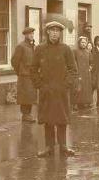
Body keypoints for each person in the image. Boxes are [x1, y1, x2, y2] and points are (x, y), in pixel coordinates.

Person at [31, 14, 78, 157]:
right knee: (48, 120)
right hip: (46, 90)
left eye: (57, 31)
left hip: (61, 90)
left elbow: (73, 70)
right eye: (52, 31)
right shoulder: (39, 49)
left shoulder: (65, 49)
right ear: (47, 32)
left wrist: (66, 84)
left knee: (62, 119)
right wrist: (40, 85)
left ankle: (63, 146)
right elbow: (33, 69)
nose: (55, 33)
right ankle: (48, 147)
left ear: (60, 33)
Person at [11, 27, 37, 122]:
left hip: (32, 75)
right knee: (25, 96)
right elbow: (14, 61)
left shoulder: (33, 46)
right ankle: (25, 115)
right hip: (24, 75)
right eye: (30, 34)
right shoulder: (21, 46)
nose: (31, 35)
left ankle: (28, 114)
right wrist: (20, 71)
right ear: (25, 35)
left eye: (32, 34)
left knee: (30, 95)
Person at [72, 36, 93, 111]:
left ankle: (84, 102)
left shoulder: (88, 52)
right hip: (78, 72)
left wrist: (90, 67)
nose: (83, 44)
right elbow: (73, 62)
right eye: (82, 42)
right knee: (78, 88)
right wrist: (76, 71)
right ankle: (75, 104)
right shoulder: (75, 51)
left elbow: (91, 62)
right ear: (79, 43)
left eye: (85, 42)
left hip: (86, 73)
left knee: (85, 88)